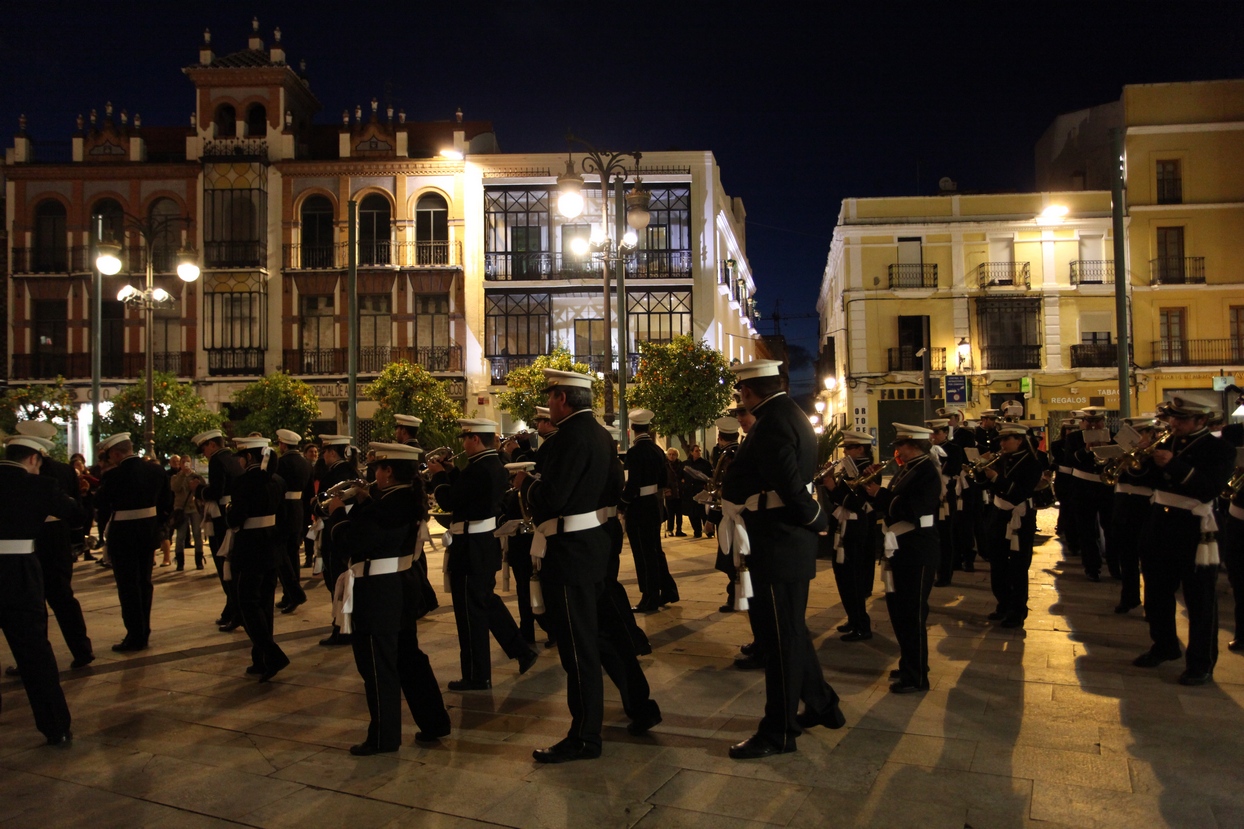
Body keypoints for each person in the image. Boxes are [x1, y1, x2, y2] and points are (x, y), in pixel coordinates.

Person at [519, 369, 661, 763]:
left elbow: (553, 497)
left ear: (562, 399)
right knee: (605, 637)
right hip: (596, 548)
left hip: (570, 555)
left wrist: (528, 487)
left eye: (550, 398)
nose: (548, 405)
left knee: (578, 647)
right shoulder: (601, 434)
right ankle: (641, 706)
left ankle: (584, 736)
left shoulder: (567, 440)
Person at [720, 360, 843, 759]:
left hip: (778, 540)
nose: (742, 401)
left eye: (742, 395)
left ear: (750, 392)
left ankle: (779, 731)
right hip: (782, 539)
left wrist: (814, 519)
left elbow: (790, 484)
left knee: (780, 640)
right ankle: (822, 704)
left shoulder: (772, 422)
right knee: (789, 630)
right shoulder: (789, 412)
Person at [329, 442, 451, 754]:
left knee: (377, 665)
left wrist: (338, 515)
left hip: (379, 592)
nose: (374, 475)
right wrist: (367, 500)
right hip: (400, 587)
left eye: (377, 469)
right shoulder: (404, 496)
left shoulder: (390, 503)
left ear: (389, 471)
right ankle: (434, 722)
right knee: (409, 659)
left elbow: (353, 540)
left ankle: (383, 736)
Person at [430, 419, 538, 690]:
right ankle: (521, 651)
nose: (462, 444)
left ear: (475, 439)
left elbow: (450, 501)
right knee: (485, 602)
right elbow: (468, 496)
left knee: (470, 614)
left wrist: (439, 477)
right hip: (481, 543)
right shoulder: (489, 465)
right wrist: (452, 472)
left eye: (465, 438)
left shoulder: (479, 468)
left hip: (470, 547)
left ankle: (477, 675)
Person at [1133, 397, 1235, 685]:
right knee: (1156, 592)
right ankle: (1164, 645)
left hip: (1195, 528)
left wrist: (1175, 466)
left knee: (1199, 599)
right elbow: (1148, 480)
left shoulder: (1220, 449)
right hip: (1160, 524)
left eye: (1182, 419)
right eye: (1173, 418)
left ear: (1201, 421)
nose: (1174, 424)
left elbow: (1209, 489)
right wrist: (1139, 460)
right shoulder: (1168, 442)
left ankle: (1201, 663)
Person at [0, 434, 83, 746]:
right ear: (34, 458)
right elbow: (76, 514)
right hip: (19, 571)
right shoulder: (40, 486)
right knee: (35, 652)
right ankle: (55, 726)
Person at [862, 423, 942, 693]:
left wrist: (880, 493)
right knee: (899, 611)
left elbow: (913, 509)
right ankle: (910, 662)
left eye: (901, 446)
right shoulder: (909, 469)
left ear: (915, 446)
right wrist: (872, 489)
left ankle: (918, 676)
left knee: (912, 613)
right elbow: (890, 502)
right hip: (901, 548)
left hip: (917, 549)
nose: (897, 450)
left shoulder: (927, 471)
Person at [11, 422, 93, 672]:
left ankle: (32, 658)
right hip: (57, 539)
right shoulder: (65, 470)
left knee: (32, 603)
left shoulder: (24, 473)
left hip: (32, 540)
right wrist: (78, 538)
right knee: (63, 597)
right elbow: (76, 508)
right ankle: (82, 649)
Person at [94, 432, 173, 651]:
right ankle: (144, 630)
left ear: (117, 453)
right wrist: (157, 525)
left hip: (123, 536)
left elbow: (101, 503)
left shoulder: (114, 475)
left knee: (128, 587)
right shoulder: (156, 471)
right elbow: (167, 503)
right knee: (144, 583)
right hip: (148, 534)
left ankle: (135, 634)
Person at [225, 436, 290, 681]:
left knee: (247, 603)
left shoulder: (243, 483)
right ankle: (260, 659)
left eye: (241, 456)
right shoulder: (277, 481)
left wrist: (230, 514)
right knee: (264, 604)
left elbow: (236, 519)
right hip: (271, 547)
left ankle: (271, 654)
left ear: (249, 457)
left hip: (250, 548)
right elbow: (283, 517)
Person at [981, 423, 1042, 628]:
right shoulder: (1002, 459)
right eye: (1001, 440)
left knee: (1017, 565)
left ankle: (1017, 611)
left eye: (1006, 439)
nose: (1002, 444)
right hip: (998, 514)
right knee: (997, 562)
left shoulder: (1032, 462)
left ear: (1020, 440)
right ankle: (1003, 604)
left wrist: (996, 477)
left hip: (1019, 518)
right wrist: (981, 468)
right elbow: (984, 484)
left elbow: (1019, 492)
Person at [822, 430, 880, 641]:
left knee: (853, 578)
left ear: (860, 449)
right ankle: (853, 618)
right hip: (844, 526)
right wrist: (831, 486)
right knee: (843, 577)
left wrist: (832, 487)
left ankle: (861, 625)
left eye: (848, 447)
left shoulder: (868, 470)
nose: (844, 451)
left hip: (854, 528)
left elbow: (856, 503)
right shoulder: (850, 469)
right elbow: (840, 499)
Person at [622, 408, 679, 611]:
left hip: (639, 508)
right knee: (655, 552)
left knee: (643, 554)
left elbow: (632, 484)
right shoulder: (657, 450)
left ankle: (650, 596)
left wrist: (622, 503)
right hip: (654, 506)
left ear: (633, 428)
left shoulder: (635, 452)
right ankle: (669, 589)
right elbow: (664, 480)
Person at [195, 429, 244, 630]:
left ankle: (234, 610)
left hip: (221, 517)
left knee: (224, 564)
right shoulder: (233, 458)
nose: (204, 453)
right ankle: (231, 608)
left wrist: (198, 489)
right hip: (231, 513)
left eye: (204, 448)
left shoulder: (217, 460)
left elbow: (216, 491)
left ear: (212, 445)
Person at [1111, 415, 1160, 615]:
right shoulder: (1123, 452)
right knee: (1127, 557)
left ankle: (1152, 604)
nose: (1134, 438)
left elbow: (1147, 479)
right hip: (1123, 505)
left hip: (1145, 508)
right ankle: (1129, 597)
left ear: (1149, 433)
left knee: (1149, 561)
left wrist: (1135, 459)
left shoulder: (1156, 453)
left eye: (1139, 433)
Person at [316, 435, 361, 646]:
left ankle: (341, 628)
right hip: (346, 528)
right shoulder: (350, 471)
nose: (323, 456)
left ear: (332, 452)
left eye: (325, 452)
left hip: (335, 530)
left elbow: (322, 505)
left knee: (336, 581)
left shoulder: (335, 474)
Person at [1065, 406, 1117, 581]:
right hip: (1083, 487)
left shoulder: (1114, 437)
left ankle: (1114, 566)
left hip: (1106, 488)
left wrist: (1108, 448)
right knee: (1087, 531)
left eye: (1097, 421)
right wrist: (1086, 449)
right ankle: (1092, 568)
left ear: (1104, 421)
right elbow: (1069, 460)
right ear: (1083, 423)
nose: (1094, 425)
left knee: (1111, 530)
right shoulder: (1073, 438)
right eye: (1090, 422)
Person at [273, 429, 311, 614]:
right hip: (299, 510)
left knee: (283, 555)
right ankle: (289, 594)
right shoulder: (305, 463)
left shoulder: (282, 463)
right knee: (293, 554)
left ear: (283, 444)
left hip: (285, 511)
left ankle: (293, 593)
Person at [708, 416, 743, 610]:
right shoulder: (743, 452)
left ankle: (735, 597)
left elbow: (721, 490)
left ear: (720, 436)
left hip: (730, 513)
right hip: (744, 513)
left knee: (732, 559)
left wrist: (711, 518)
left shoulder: (727, 456)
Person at [927, 419, 965, 587]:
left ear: (945, 433)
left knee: (946, 535)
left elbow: (956, 468)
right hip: (932, 494)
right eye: (932, 433)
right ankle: (935, 569)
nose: (933, 436)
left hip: (946, 495)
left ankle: (945, 573)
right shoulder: (927, 450)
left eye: (937, 432)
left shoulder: (954, 449)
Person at [171, 453, 205, 570]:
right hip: (181, 509)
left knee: (197, 534)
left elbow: (203, 490)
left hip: (194, 508)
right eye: (183, 462)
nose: (186, 464)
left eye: (188, 462)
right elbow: (175, 488)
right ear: (180, 464)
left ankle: (199, 560)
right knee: (180, 536)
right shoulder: (176, 477)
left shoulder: (196, 476)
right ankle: (180, 562)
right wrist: (183, 475)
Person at [681, 445, 712, 538]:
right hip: (689, 491)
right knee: (692, 513)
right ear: (691, 452)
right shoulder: (686, 464)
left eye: (699, 451)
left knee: (704, 512)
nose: (698, 452)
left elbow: (710, 476)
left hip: (701, 490)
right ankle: (697, 531)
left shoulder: (706, 463)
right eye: (696, 451)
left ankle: (709, 531)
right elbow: (680, 476)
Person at [663, 447, 685, 538]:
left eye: (673, 454)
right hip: (670, 491)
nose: (671, 456)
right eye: (670, 454)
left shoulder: (681, 464)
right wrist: (666, 490)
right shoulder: (665, 465)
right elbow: (663, 478)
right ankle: (670, 529)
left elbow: (683, 476)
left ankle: (679, 529)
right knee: (670, 512)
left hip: (679, 491)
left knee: (679, 512)